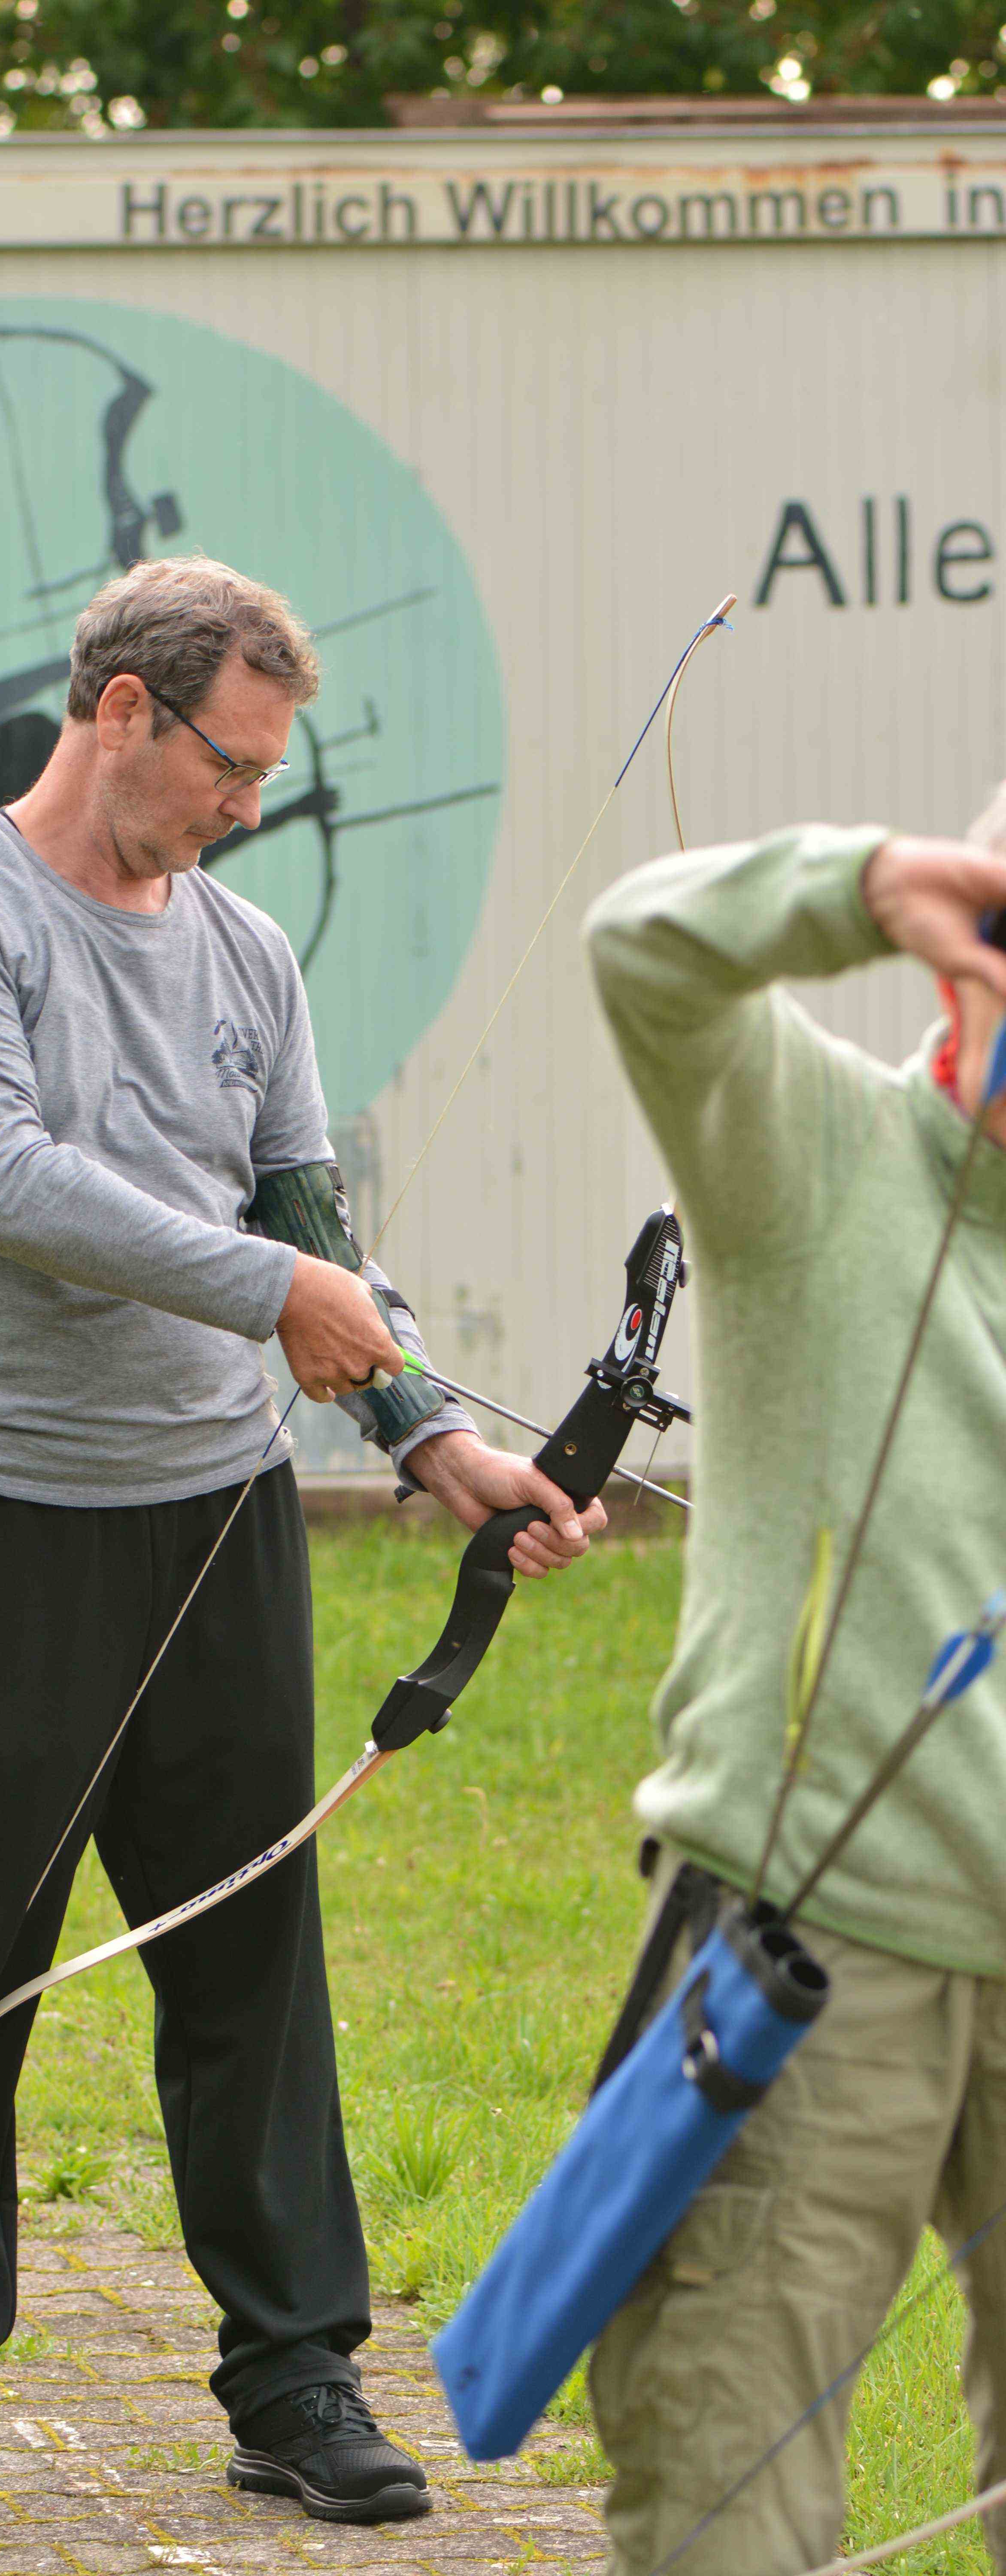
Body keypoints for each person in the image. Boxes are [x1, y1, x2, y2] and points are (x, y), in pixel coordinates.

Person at [0, 555, 603, 2538]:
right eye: (229, 765)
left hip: (215, 1518)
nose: (251, 805)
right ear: (121, 710)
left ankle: (293, 2378)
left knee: (251, 1958)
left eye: (266, 772)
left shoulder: (249, 953)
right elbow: (7, 1181)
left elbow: (305, 1213)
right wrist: (277, 1290)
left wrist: (432, 1436)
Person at [581, 808, 1006, 2575]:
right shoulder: (820, 1151)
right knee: (726, 2490)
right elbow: (644, 953)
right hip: (812, 1946)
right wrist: (860, 885)